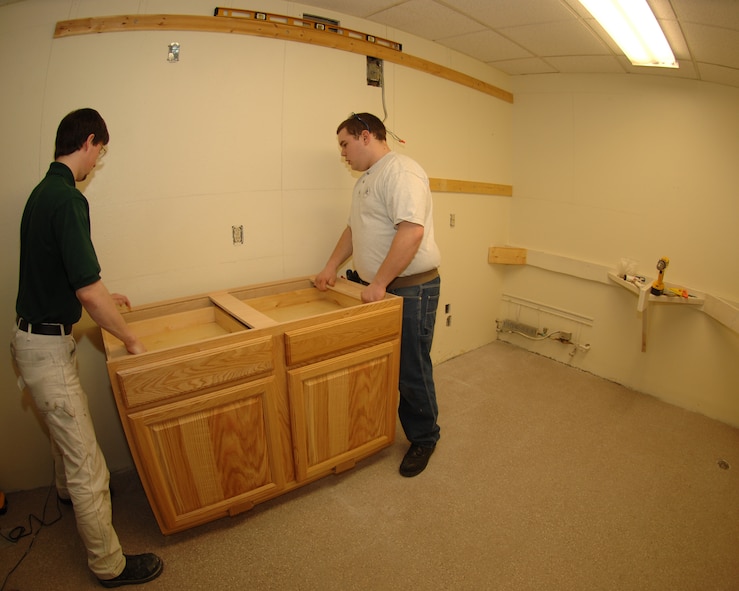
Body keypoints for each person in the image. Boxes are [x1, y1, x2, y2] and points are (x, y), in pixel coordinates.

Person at [10, 108, 163, 587]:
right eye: (100, 152)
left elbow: (65, 274)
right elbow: (87, 292)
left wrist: (102, 293)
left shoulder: (41, 193)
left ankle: (63, 496)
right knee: (88, 463)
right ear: (90, 142)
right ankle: (110, 565)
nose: (97, 162)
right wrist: (131, 337)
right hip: (46, 350)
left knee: (60, 436)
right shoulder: (69, 199)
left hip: (29, 339)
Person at [315, 112, 442, 478]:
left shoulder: (400, 172)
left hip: (411, 289)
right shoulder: (366, 180)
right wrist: (329, 268)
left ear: (366, 136)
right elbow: (354, 229)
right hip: (382, 289)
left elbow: (411, 232)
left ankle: (425, 438)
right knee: (385, 368)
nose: (343, 153)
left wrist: (380, 283)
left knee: (411, 370)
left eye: (345, 144)